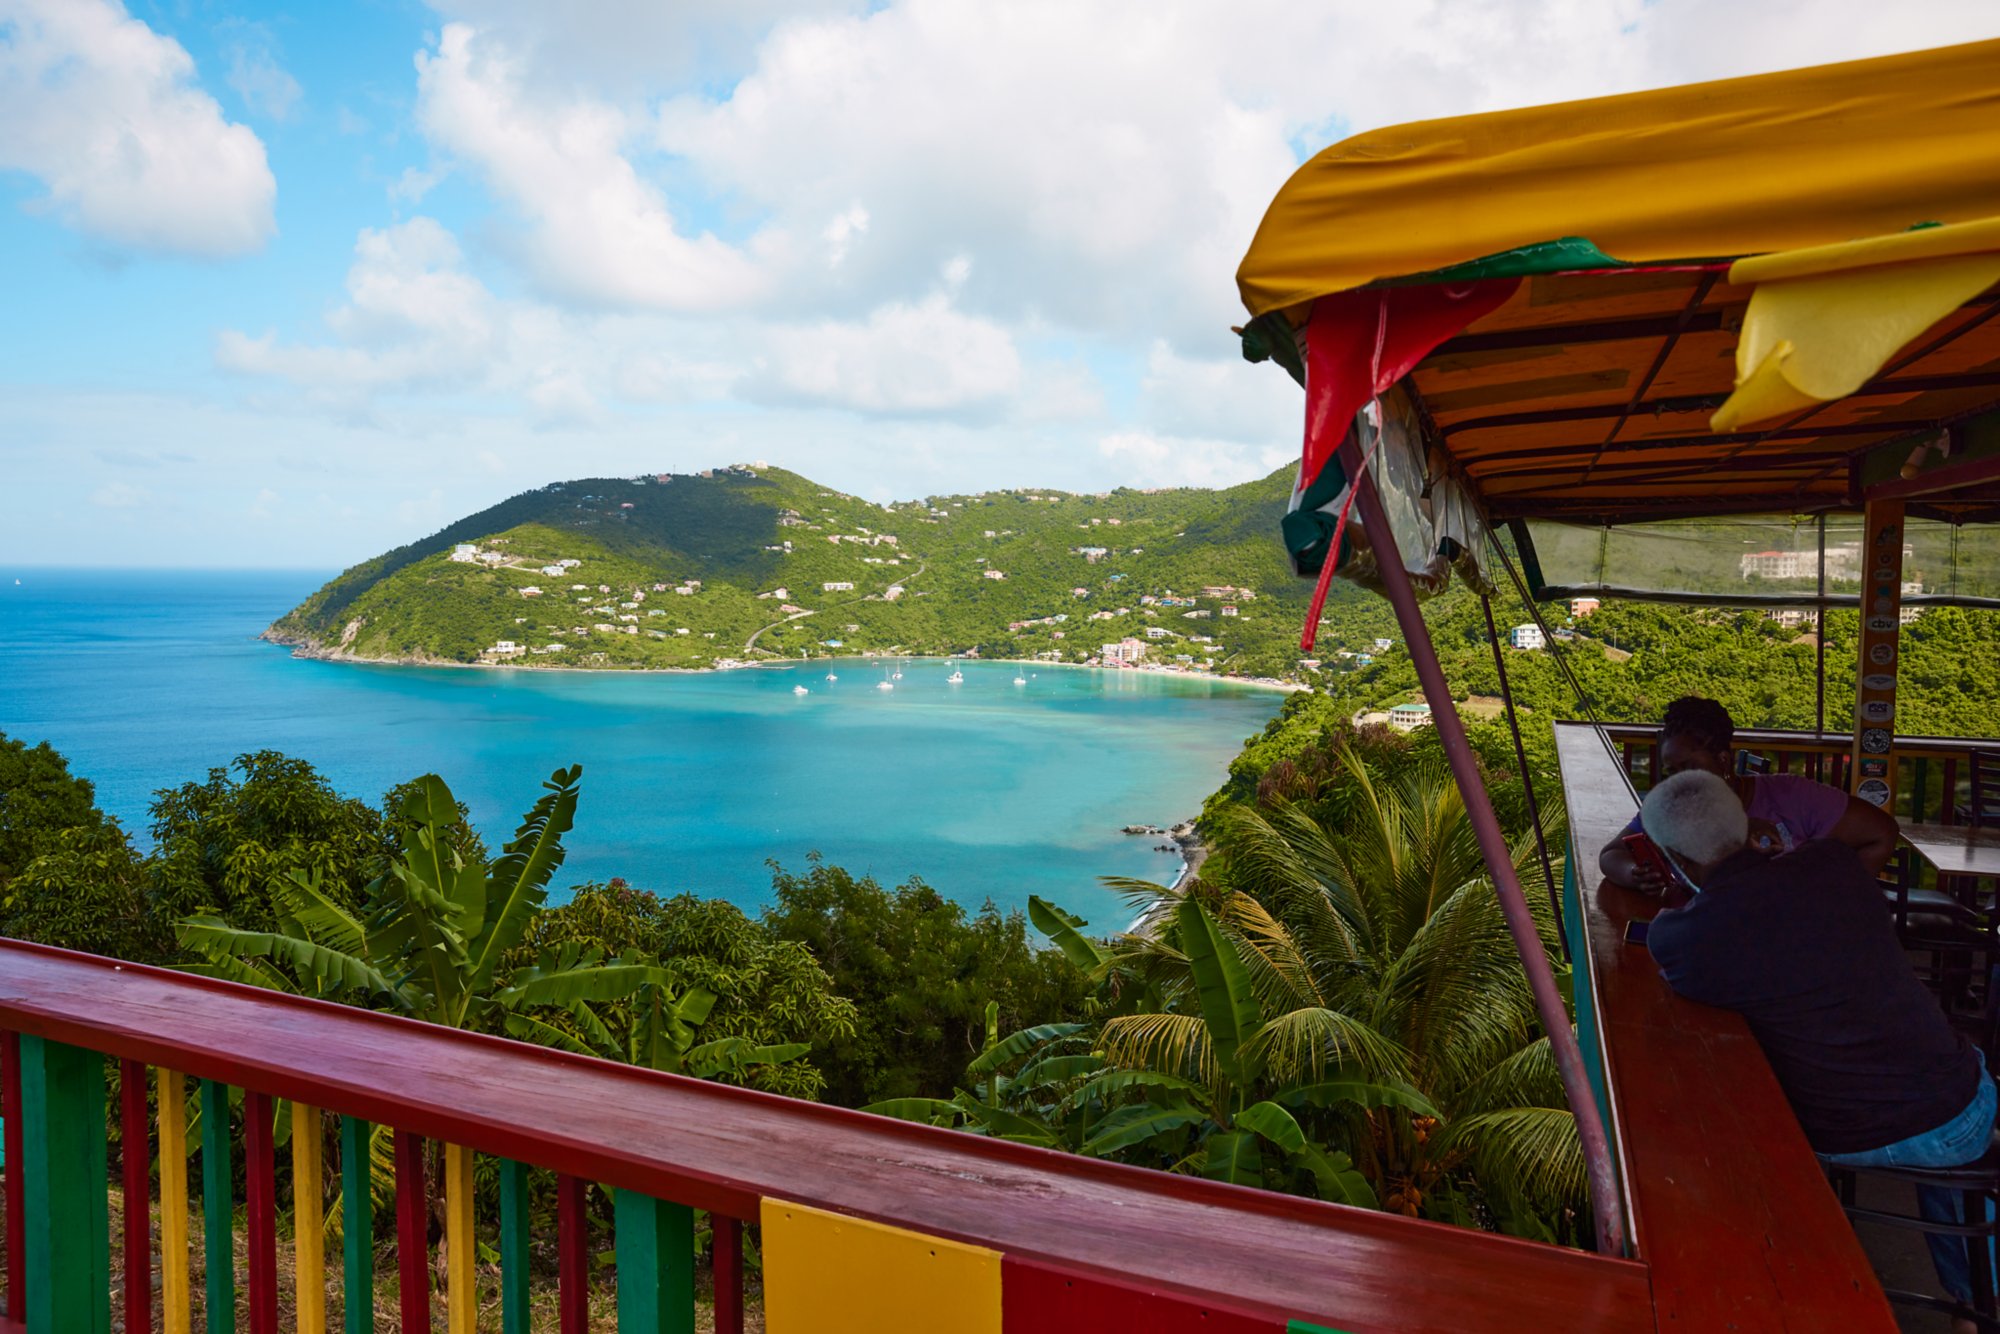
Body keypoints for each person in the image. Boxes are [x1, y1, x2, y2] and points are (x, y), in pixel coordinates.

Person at [1642, 770, 1994, 1322]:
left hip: (1836, 1136)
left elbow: (1697, 943)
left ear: (1674, 862)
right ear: (1750, 824)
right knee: (1949, 1103)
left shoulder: (1683, 940)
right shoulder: (1832, 865)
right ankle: (1976, 1299)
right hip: (1956, 1120)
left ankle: (1811, 1286)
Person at [1599, 696, 1900, 894]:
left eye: (1690, 767)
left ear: (1723, 760)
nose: (1681, 781)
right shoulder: (1670, 807)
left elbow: (1880, 833)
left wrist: (1834, 901)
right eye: (1672, 772)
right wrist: (1634, 874)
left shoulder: (1791, 796)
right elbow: (1612, 854)